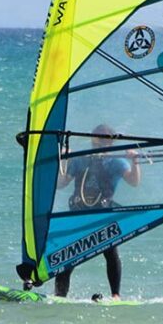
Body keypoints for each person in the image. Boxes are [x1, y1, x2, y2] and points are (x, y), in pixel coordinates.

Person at [53, 123, 141, 300]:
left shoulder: (117, 162)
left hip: (103, 212)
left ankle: (115, 296)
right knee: (67, 256)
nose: (99, 140)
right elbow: (61, 184)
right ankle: (59, 296)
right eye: (96, 136)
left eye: (103, 137)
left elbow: (134, 182)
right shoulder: (80, 159)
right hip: (79, 211)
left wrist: (135, 160)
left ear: (110, 142)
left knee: (110, 251)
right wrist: (63, 159)